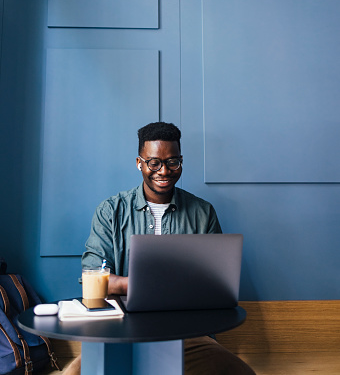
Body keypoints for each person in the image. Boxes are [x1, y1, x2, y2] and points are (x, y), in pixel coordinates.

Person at [64, 122, 255, 375]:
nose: (163, 171)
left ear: (181, 161)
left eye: (172, 162)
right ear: (139, 163)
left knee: (240, 373)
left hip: (189, 335)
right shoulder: (111, 211)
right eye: (154, 163)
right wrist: (143, 285)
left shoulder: (202, 212)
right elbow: (92, 276)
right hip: (122, 331)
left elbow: (216, 285)